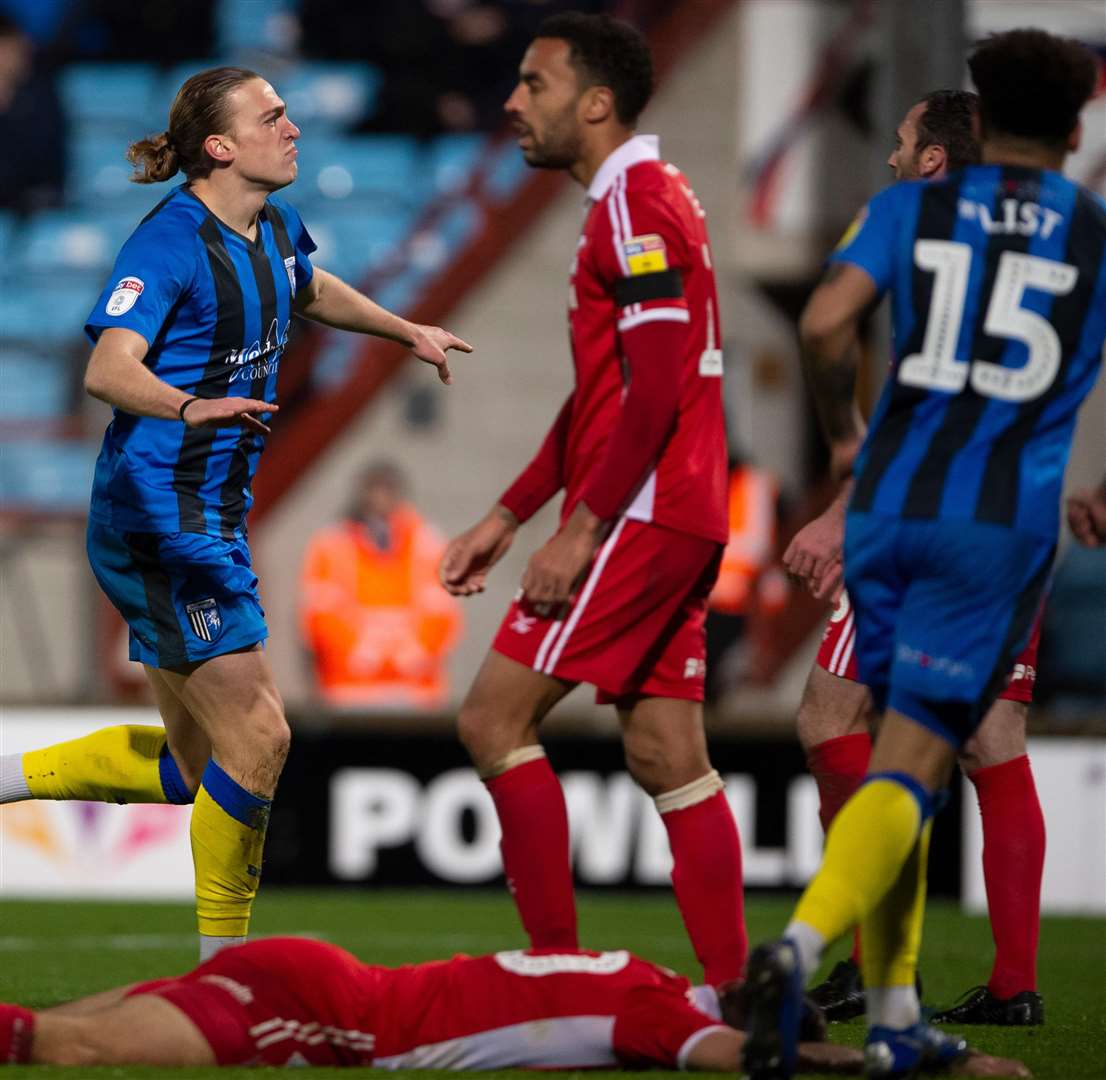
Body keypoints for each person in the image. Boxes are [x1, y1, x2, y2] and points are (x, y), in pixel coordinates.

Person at [0, 67, 471, 962]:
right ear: (219, 146)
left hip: (208, 512)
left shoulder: (272, 224)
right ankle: (227, 978)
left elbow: (310, 285)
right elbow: (107, 368)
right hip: (160, 515)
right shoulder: (170, 243)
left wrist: (404, 328)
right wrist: (186, 406)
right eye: (272, 116)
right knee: (260, 735)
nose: (293, 128)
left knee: (193, 768)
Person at [741, 28, 1105, 1080]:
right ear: (1077, 127)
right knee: (913, 757)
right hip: (997, 530)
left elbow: (819, 327)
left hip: (894, 509)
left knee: (877, 741)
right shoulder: (1086, 231)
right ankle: (813, 951)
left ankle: (882, 1002)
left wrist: (841, 435)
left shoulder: (909, 210)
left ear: (976, 118)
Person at [438, 13, 744, 988]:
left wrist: (576, 530)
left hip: (641, 513)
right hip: (678, 509)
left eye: (534, 84)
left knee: (491, 721)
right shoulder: (640, 199)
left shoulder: (632, 206)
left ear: (595, 102)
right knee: (665, 754)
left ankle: (557, 975)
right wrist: (507, 511)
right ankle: (738, 998)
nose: (512, 102)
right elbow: (604, 391)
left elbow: (653, 391)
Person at [785, 90, 1046, 1027]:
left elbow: (899, 383)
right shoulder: (1044, 242)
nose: (892, 158)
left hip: (928, 513)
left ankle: (871, 959)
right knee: (992, 739)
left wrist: (844, 505)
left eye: (901, 143)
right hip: (1020, 513)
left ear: (935, 161)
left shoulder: (929, 238)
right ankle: (1015, 985)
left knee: (827, 717)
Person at [0, 937, 1029, 1075]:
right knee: (70, 1050)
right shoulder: (667, 1024)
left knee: (43, 1027)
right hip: (328, 1016)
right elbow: (750, 1059)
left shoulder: (649, 975)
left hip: (318, 974)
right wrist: (925, 1063)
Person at [300, 460, 463, 709]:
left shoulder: (428, 542)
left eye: (387, 492)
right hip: (349, 693)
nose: (379, 501)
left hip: (417, 695)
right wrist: (365, 651)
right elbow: (319, 614)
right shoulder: (331, 545)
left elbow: (443, 611)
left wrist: (406, 652)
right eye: (373, 492)